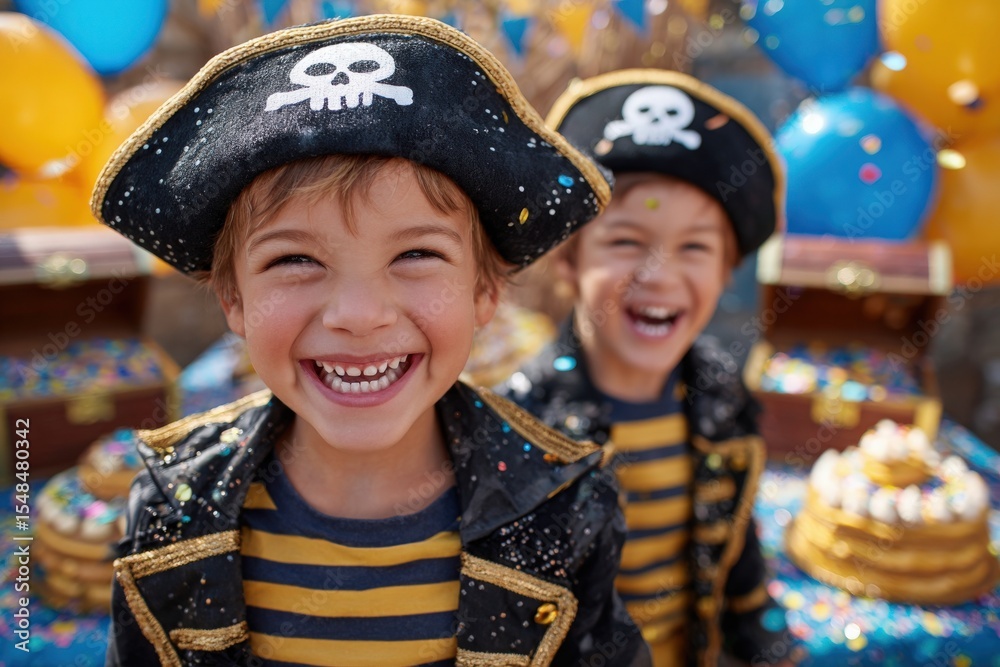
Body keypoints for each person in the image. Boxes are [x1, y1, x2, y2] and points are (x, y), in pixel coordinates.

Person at [94, 16, 649, 666]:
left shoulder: (565, 512)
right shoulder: (170, 515)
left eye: (415, 252)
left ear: (484, 293)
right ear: (234, 298)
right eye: (295, 260)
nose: (359, 314)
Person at [498, 70, 799, 667]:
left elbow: (737, 554)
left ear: (724, 273)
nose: (658, 274)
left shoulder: (721, 402)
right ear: (569, 261)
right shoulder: (519, 427)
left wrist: (767, 647)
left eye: (695, 248)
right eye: (627, 242)